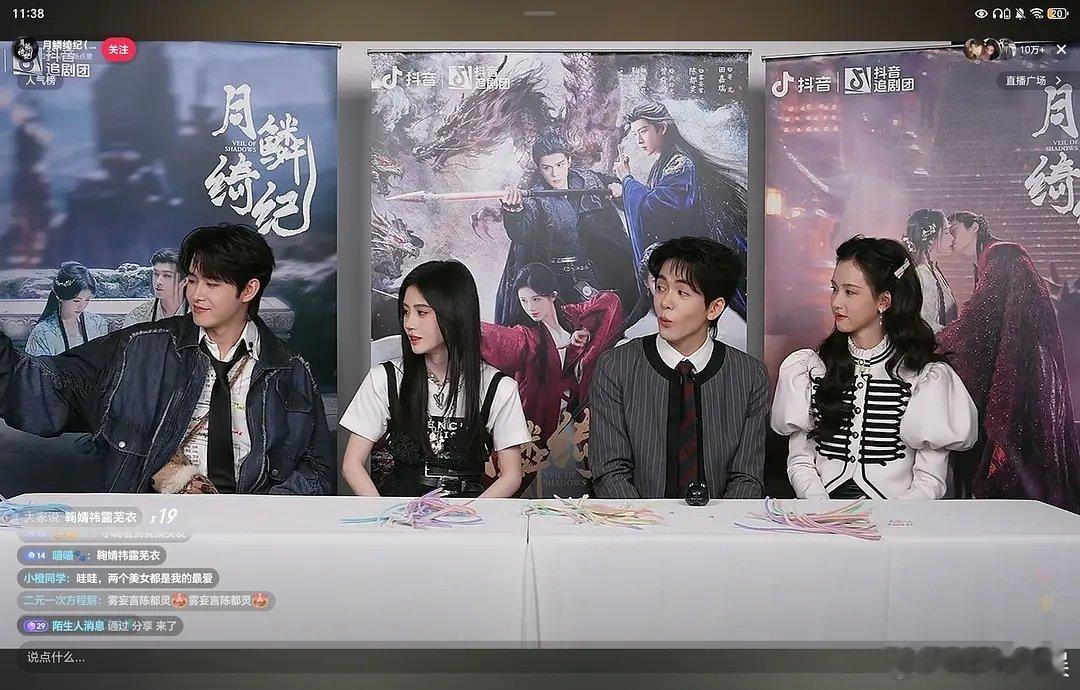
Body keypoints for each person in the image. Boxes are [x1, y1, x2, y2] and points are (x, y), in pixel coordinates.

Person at [0, 223, 336, 495]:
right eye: (192, 281)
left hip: (251, 532)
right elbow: (43, 385)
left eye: (212, 284)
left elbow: (317, 470)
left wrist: (262, 514)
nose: (196, 294)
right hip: (157, 526)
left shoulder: (289, 371)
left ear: (248, 290)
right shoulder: (138, 347)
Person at [772, 236, 978, 500]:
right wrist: (821, 508)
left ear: (884, 301)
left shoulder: (926, 377)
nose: (836, 302)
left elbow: (929, 481)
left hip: (899, 517)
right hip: (822, 513)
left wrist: (892, 519)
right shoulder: (811, 369)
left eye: (850, 292)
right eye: (834, 289)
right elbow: (800, 460)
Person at [589, 236, 768, 499]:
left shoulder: (749, 376)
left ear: (714, 308)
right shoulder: (616, 367)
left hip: (723, 523)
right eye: (661, 287)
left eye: (682, 292)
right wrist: (647, 522)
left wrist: (719, 524)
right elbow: (610, 472)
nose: (665, 302)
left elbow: (747, 478)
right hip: (637, 521)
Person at [341, 260, 530, 498]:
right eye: (406, 312)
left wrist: (468, 514)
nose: (409, 324)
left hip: (470, 509)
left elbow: (511, 476)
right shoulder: (385, 378)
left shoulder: (498, 387)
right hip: (401, 509)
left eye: (421, 313)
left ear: (454, 313)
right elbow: (352, 465)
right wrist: (384, 515)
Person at [938, 211, 1080, 512]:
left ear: (975, 227)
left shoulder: (1002, 253)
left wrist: (937, 342)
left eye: (954, 230)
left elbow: (982, 318)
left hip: (1022, 365)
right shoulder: (991, 259)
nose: (950, 239)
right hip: (1020, 361)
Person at [613, 100, 748, 320]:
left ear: (662, 128)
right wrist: (624, 194)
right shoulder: (666, 162)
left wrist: (627, 179)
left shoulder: (680, 162)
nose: (638, 140)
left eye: (644, 131)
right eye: (635, 133)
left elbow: (659, 207)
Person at [496, 129, 638, 325]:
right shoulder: (535, 198)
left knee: (609, 322)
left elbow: (614, 187)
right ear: (539, 168)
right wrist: (514, 211)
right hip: (558, 280)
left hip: (595, 271)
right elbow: (521, 234)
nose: (554, 173)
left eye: (559, 165)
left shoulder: (589, 180)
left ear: (569, 161)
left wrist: (617, 187)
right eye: (547, 167)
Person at [481, 263, 623, 453]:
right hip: (540, 421)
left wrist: (586, 329)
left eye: (536, 299)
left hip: (577, 420)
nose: (530, 307)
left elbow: (609, 301)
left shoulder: (571, 315)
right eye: (523, 300)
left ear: (552, 295)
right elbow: (493, 337)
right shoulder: (528, 336)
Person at [619, 241, 747, 352]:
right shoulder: (636, 335)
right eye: (660, 286)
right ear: (646, 283)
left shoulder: (723, 317)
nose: (667, 299)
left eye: (680, 287)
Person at [25, 261, 110, 356]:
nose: (82, 306)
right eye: (76, 301)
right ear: (60, 297)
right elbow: (37, 365)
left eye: (87, 299)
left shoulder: (98, 324)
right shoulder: (42, 333)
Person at [903, 209, 957, 333]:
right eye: (946, 232)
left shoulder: (933, 272)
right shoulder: (923, 277)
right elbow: (925, 325)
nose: (952, 238)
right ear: (932, 239)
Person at [122, 248, 189, 327]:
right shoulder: (137, 318)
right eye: (156, 274)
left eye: (166, 275)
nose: (158, 281)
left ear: (184, 281)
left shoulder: (197, 315)